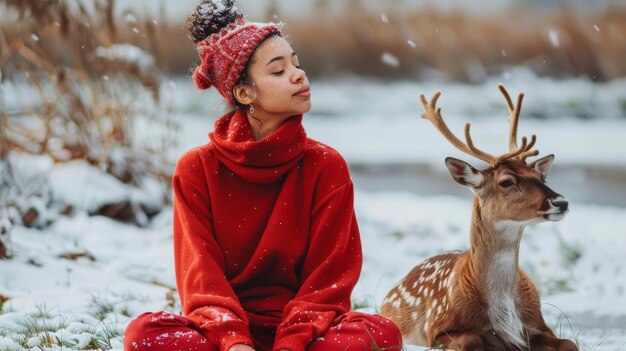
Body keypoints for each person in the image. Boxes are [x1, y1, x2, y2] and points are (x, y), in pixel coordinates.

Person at [123, 1, 402, 351]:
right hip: (222, 332)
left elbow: (328, 281)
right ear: (244, 93)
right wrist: (234, 341)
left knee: (380, 334)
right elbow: (201, 279)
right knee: (145, 333)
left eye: (297, 64)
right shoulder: (197, 169)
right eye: (278, 71)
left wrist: (291, 342)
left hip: (308, 331)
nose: (299, 75)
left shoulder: (327, 166)